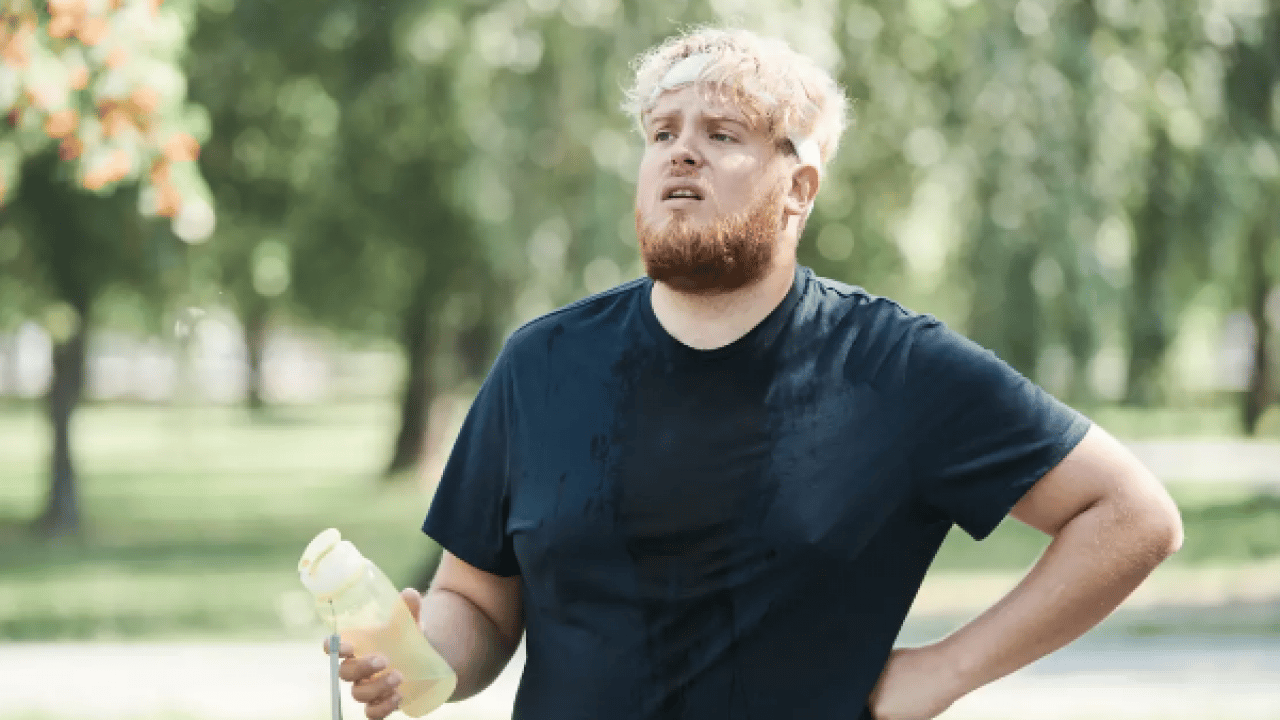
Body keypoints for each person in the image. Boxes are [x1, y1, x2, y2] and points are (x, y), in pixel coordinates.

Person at [325, 26, 1184, 720]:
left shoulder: (898, 369)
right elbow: (476, 601)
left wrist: (947, 669)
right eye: (662, 133)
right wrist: (420, 658)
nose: (681, 154)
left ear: (799, 187)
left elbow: (1132, 514)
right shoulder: (540, 365)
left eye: (721, 134)